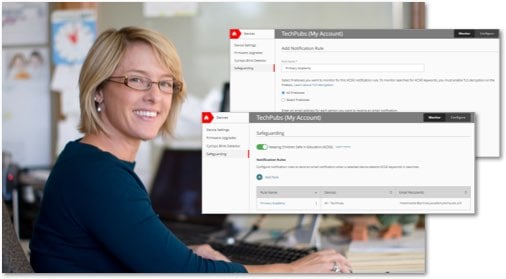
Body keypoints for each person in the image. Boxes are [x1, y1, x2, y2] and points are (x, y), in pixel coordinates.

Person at [29, 26, 352, 273]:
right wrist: (292, 269)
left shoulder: (90, 161)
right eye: (137, 80)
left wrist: (185, 252)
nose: (155, 96)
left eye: (165, 83)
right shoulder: (98, 175)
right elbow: (183, 274)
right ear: (98, 90)